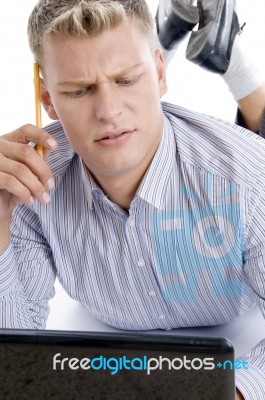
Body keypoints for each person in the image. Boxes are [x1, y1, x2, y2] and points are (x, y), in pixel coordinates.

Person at [0, 1, 265, 399]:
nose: (108, 111)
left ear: (160, 74)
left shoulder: (247, 176)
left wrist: (235, 391)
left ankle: (232, 65)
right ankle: (156, 43)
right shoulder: (29, 186)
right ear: (47, 99)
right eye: (79, 90)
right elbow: (15, 352)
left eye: (127, 80)